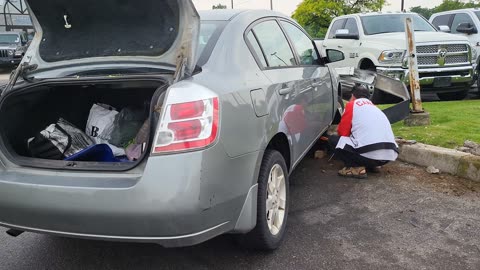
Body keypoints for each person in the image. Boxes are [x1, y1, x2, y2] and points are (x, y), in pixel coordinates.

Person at [329, 85, 398, 179]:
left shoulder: (352, 105)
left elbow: (343, 133)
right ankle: (373, 165)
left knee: (333, 140)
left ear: (353, 96)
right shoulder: (375, 108)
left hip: (368, 156)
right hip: (387, 157)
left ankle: (355, 168)